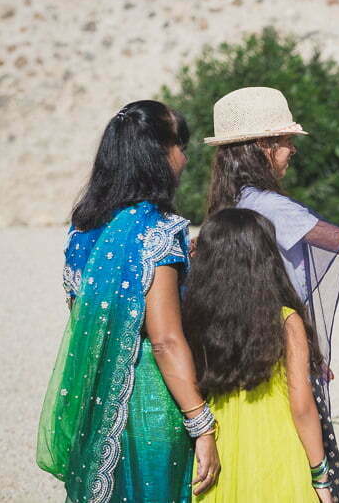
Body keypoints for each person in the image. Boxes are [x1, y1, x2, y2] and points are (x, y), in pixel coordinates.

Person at [201, 86, 339, 501]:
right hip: (283, 348)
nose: (291, 151)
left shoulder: (226, 203)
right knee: (306, 459)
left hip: (239, 354)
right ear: (263, 147)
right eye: (285, 142)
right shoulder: (274, 207)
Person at [37, 100, 220, 503]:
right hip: (153, 402)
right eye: (180, 145)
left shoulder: (83, 231)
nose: (185, 157)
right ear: (156, 153)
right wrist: (202, 424)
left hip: (96, 400)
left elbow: (86, 319)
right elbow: (166, 341)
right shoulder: (157, 232)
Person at [183, 208, 335, 502]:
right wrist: (320, 475)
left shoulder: (195, 315)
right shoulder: (284, 321)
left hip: (219, 445)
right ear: (266, 261)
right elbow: (301, 405)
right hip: (277, 449)